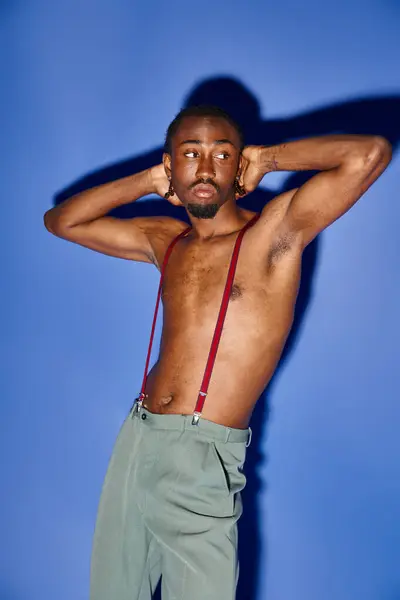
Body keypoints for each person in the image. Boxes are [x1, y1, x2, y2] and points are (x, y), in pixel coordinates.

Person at [44, 105, 392, 600]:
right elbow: (61, 221)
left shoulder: (275, 232)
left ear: (237, 167)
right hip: (139, 438)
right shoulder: (165, 238)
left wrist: (268, 159)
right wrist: (147, 179)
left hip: (203, 452)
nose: (205, 169)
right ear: (172, 166)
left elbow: (368, 155)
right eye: (190, 155)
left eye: (221, 155)